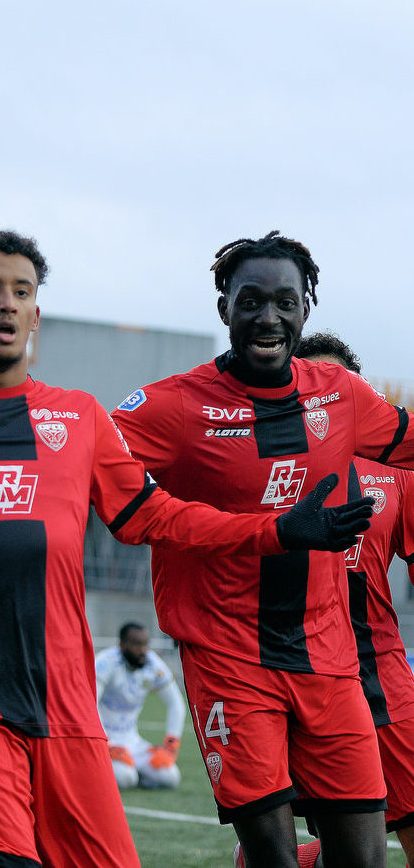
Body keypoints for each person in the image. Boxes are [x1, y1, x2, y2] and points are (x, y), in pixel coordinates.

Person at [0, 230, 372, 868]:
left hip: (70, 714)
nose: (5, 304)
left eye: (20, 292)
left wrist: (274, 530)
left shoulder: (79, 420)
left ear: (35, 315)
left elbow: (156, 517)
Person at [111, 230, 414, 868]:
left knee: (362, 859)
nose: (268, 318)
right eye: (250, 301)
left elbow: (410, 442)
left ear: (307, 307)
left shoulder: (339, 392)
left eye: (285, 302)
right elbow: (86, 473)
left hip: (330, 658)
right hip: (229, 657)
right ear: (224, 306)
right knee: (272, 858)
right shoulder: (173, 406)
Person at [289, 332, 414, 868]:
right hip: (300, 671)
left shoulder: (399, 476)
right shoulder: (269, 470)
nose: (320, 395)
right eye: (306, 381)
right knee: (353, 849)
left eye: (335, 383)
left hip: (382, 669)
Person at [95, 621, 185, 790]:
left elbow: (176, 704)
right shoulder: (106, 662)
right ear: (122, 645)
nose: (143, 650)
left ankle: (137, 773)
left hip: (133, 743)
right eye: (137, 645)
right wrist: (105, 744)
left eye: (145, 645)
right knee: (126, 778)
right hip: (106, 743)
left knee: (170, 777)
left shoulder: (152, 664)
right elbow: (90, 701)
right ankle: (123, 772)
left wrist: (171, 746)